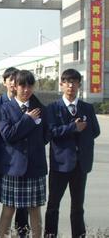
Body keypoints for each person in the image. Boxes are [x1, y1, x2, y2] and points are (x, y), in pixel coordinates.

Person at [44, 69, 100, 238]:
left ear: (79, 85)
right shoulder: (53, 108)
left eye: (74, 82)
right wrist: (73, 128)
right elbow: (50, 132)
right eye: (67, 82)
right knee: (53, 205)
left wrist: (82, 138)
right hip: (60, 164)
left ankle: (79, 235)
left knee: (78, 206)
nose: (71, 85)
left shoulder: (87, 108)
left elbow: (95, 131)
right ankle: (50, 235)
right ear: (61, 84)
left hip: (80, 164)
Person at [0, 70, 49, 237]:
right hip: (14, 166)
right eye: (22, 85)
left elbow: (46, 135)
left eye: (29, 85)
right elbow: (8, 135)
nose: (26, 89)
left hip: (35, 166)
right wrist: (27, 120)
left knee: (35, 208)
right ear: (15, 86)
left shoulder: (40, 108)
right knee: (8, 207)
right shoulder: (5, 108)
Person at [0, 67, 29, 236]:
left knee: (22, 202)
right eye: (10, 79)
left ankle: (21, 232)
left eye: (16, 79)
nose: (13, 83)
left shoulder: (28, 102)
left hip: (20, 159)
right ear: (4, 82)